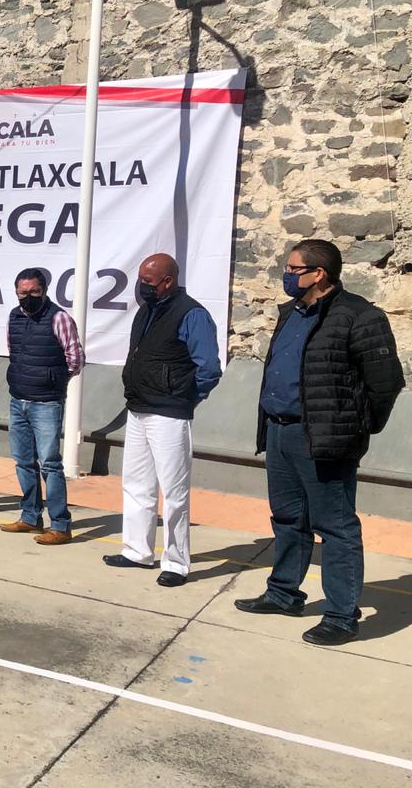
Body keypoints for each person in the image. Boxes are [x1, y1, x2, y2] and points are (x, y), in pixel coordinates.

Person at [235, 239, 403, 646]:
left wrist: (355, 427)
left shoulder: (360, 316)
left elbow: (385, 383)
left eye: (293, 269)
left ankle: (342, 616)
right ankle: (283, 594)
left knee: (336, 527)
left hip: (325, 438)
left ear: (319, 274)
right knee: (288, 517)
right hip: (280, 431)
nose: (286, 275)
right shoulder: (290, 313)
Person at [104, 253, 221, 587]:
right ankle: (137, 551)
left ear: (168, 281)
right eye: (141, 278)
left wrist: (185, 397)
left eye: (148, 281)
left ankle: (176, 562)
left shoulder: (192, 314)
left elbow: (209, 368)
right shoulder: (146, 310)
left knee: (174, 491)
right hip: (139, 407)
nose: (142, 285)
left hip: (169, 413)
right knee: (136, 484)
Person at [0, 268, 85, 544]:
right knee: (24, 462)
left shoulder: (59, 318)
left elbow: (75, 359)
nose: (28, 297)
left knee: (49, 464)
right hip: (18, 399)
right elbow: (13, 351)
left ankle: (60, 524)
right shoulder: (14, 316)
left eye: (34, 292)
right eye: (22, 293)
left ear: (44, 291)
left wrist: (53, 380)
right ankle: (30, 516)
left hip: (46, 402)